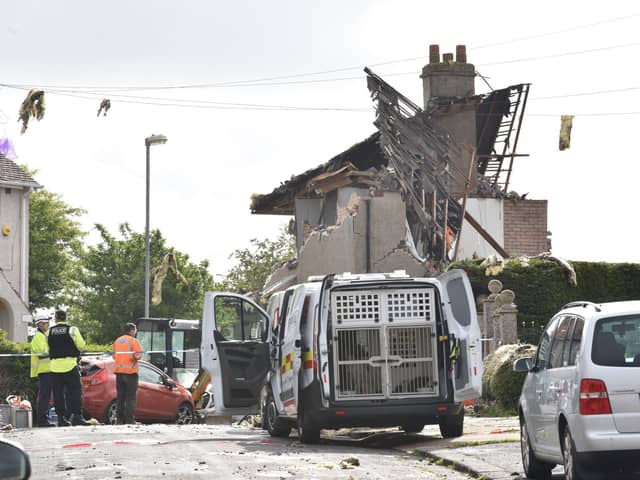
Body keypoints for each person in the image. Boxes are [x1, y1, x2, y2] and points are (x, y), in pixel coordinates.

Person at [48, 309, 90, 426]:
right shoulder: (72, 330)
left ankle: (61, 419)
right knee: (75, 392)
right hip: (70, 365)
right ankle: (77, 416)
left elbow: (47, 349)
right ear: (65, 318)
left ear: (56, 319)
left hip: (54, 367)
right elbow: (81, 346)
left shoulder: (49, 331)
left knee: (58, 393)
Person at [112, 323, 143, 425]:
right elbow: (138, 356)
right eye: (135, 330)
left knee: (120, 397)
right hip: (130, 374)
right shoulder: (134, 341)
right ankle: (130, 420)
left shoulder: (117, 341)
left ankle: (119, 420)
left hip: (119, 373)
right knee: (130, 398)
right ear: (132, 330)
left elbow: (114, 356)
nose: (136, 332)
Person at [30, 315, 55, 427]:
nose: (48, 326)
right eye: (46, 323)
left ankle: (43, 419)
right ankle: (42, 420)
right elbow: (42, 353)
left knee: (45, 395)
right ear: (40, 324)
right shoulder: (39, 337)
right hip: (44, 370)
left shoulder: (42, 336)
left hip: (46, 370)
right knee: (44, 395)